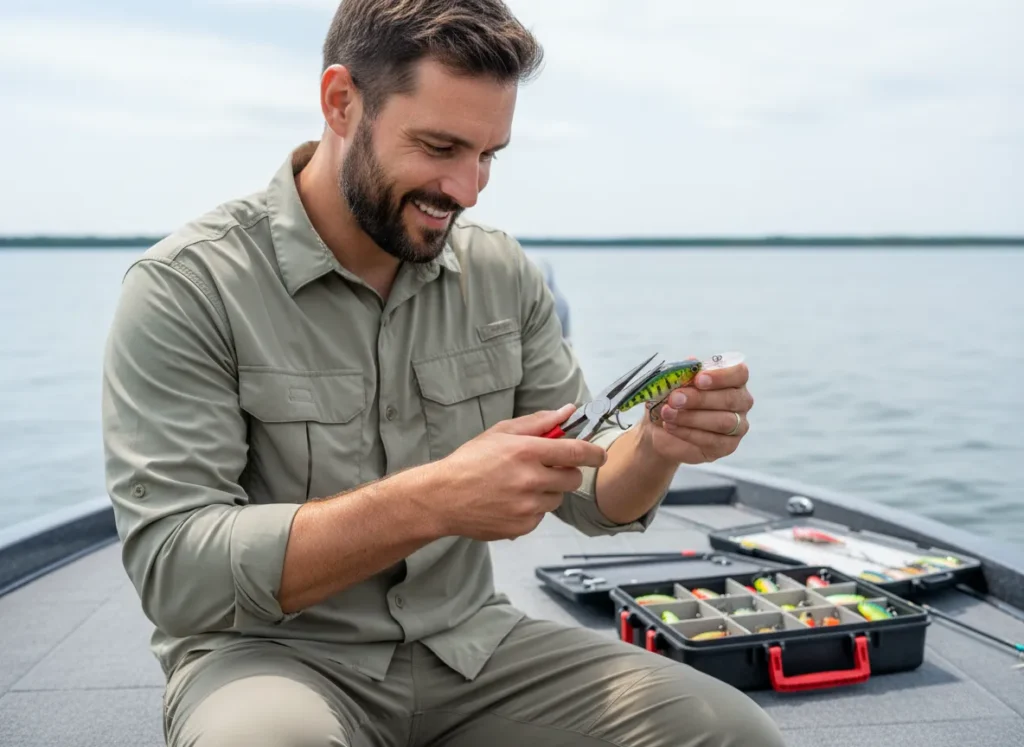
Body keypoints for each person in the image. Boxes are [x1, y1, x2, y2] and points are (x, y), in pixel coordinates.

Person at [101, 1, 781, 745]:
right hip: (268, 655)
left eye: (489, 154)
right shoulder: (186, 287)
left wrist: (657, 447)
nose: (468, 189)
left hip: (471, 651)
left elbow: (591, 494)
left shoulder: (501, 272)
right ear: (340, 102)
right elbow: (174, 570)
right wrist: (435, 500)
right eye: (440, 146)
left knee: (732, 732)